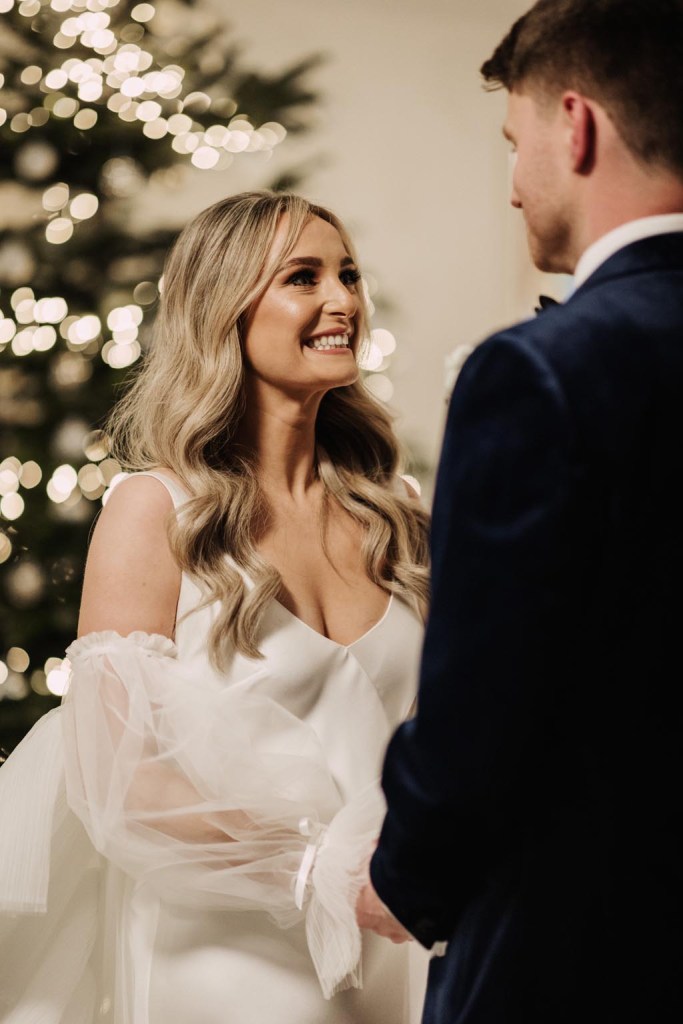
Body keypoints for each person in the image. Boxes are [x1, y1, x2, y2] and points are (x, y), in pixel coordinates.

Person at [0, 190, 431, 1024]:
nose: (341, 299)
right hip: (230, 952)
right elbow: (121, 779)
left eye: (347, 274)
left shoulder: (400, 511)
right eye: (302, 278)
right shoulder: (153, 508)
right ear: (225, 308)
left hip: (398, 939)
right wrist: (315, 868)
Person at [357, 1, 683, 1022]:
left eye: (515, 141)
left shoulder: (543, 371)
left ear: (574, 125)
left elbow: (482, 703)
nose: (510, 186)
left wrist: (405, 872)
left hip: (589, 943)